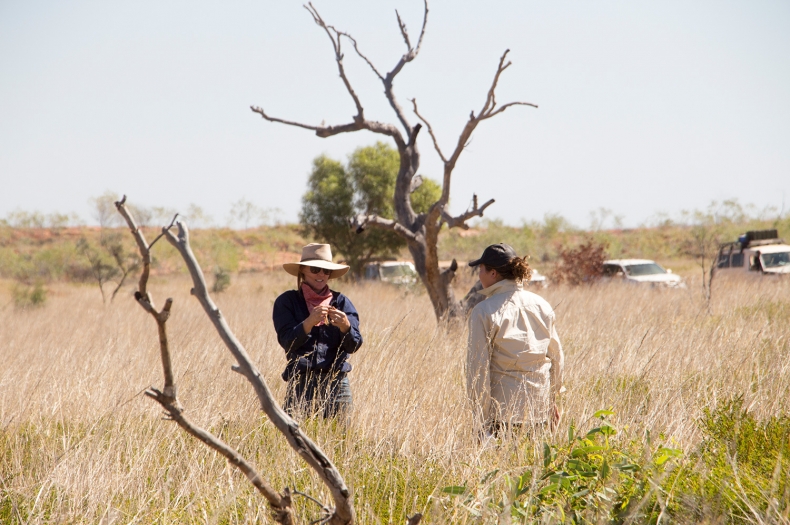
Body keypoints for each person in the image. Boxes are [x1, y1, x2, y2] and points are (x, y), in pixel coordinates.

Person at [466, 243, 564, 439]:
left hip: (502, 416)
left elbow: (478, 371)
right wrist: (553, 401)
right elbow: (557, 358)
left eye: (481, 269)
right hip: (539, 412)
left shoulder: (483, 311)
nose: (479, 275)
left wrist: (481, 420)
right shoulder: (542, 305)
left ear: (493, 274)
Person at [273, 243, 363, 419]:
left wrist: (346, 326)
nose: (321, 275)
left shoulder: (342, 302)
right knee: (297, 440)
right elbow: (287, 341)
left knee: (340, 440)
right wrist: (309, 322)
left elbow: (354, 345)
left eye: (326, 271)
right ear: (303, 271)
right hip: (301, 383)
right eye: (315, 269)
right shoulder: (287, 301)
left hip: (337, 385)